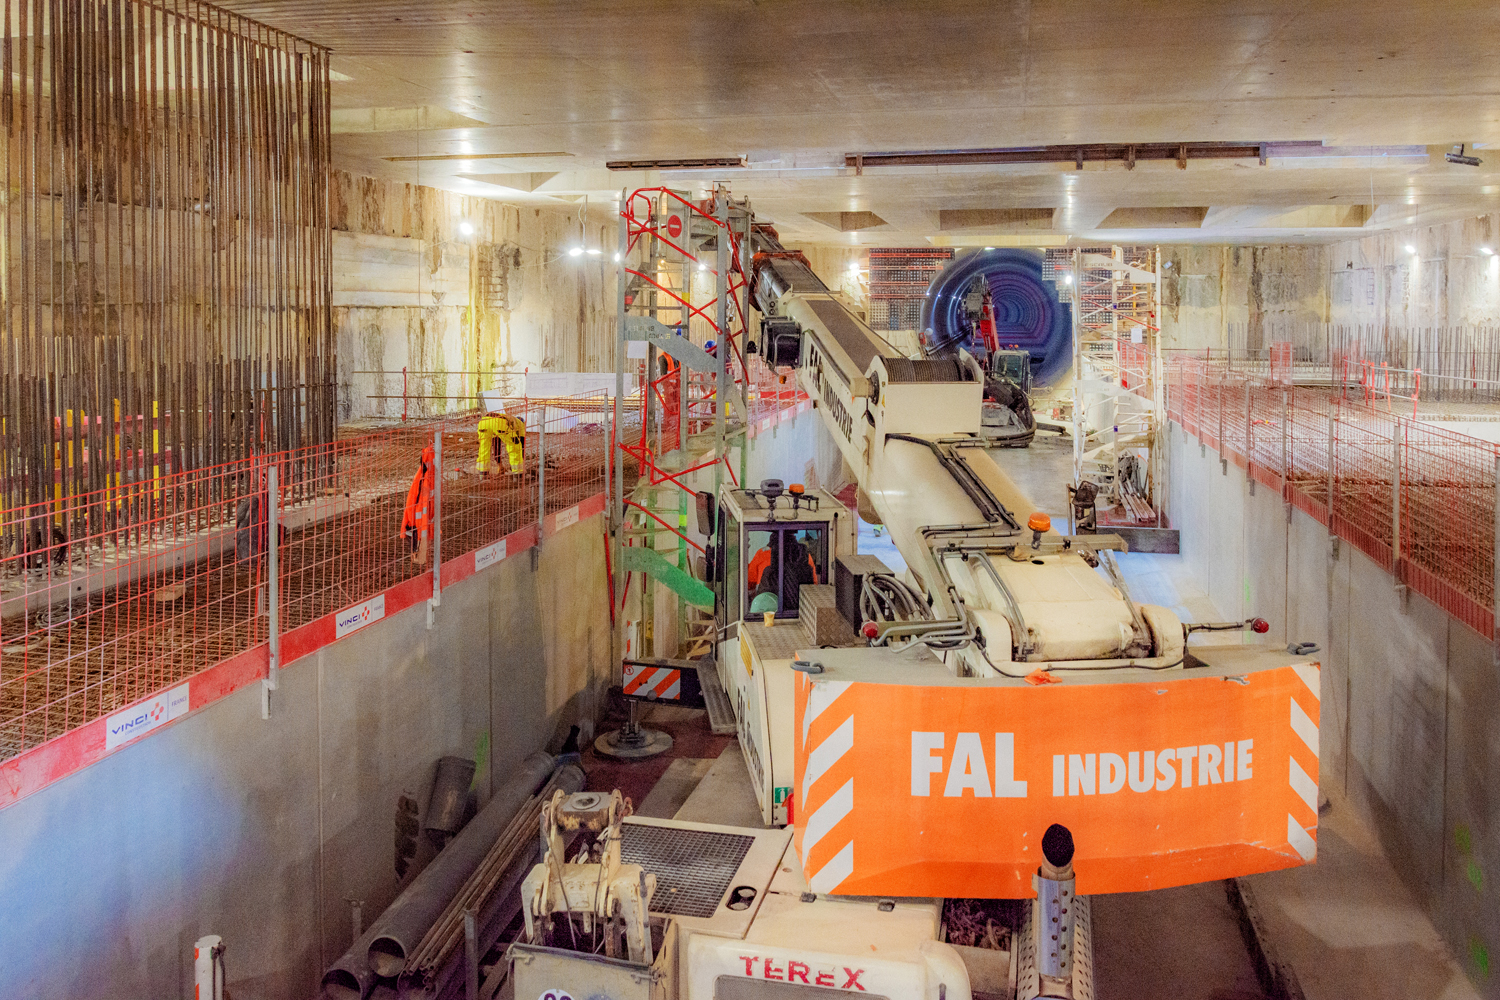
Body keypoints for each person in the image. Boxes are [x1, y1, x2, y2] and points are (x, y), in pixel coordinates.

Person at [402, 444, 436, 566]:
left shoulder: (427, 476)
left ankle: (420, 557)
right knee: (419, 537)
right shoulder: (426, 478)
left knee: (419, 537)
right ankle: (420, 558)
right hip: (418, 517)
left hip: (420, 516)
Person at [477, 412, 525, 476]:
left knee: (484, 447)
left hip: (483, 422)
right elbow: (522, 445)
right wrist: (521, 462)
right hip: (497, 422)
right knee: (515, 446)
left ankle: (483, 473)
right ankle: (518, 473)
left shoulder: (508, 420)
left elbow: (496, 445)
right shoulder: (521, 424)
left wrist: (499, 464)